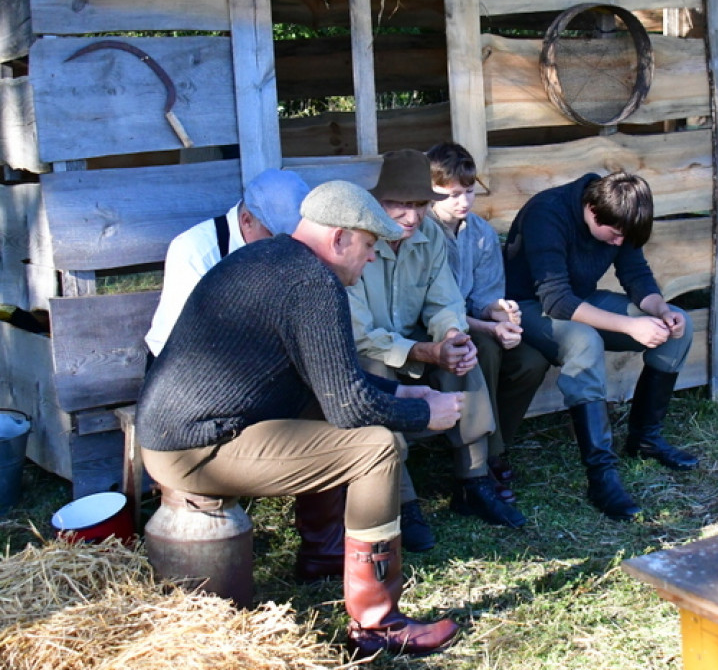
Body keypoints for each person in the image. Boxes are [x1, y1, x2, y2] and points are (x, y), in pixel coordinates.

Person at [136, 180, 462, 656]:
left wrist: (400, 388)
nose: (372, 258)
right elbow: (351, 408)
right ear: (339, 239)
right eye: (369, 245)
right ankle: (377, 625)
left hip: (181, 433)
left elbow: (330, 380)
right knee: (378, 448)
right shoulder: (313, 283)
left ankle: (323, 555)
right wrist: (422, 413)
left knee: (340, 419)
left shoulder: (267, 258)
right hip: (195, 450)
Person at [347, 149, 527, 551]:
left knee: (464, 350)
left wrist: (449, 337)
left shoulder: (428, 239)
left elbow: (444, 302)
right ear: (378, 203)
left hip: (413, 342)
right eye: (400, 205)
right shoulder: (358, 241)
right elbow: (360, 334)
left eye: (419, 205)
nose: (411, 217)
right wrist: (428, 351)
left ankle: (474, 480)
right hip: (374, 351)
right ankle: (402, 501)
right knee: (373, 366)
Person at [503, 171, 696, 521]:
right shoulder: (547, 212)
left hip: (579, 297)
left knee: (680, 325)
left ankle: (645, 439)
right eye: (615, 236)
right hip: (526, 305)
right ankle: (601, 475)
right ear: (591, 209)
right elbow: (556, 300)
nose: (619, 243)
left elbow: (636, 276)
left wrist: (661, 310)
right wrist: (629, 325)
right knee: (584, 341)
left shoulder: (620, 213)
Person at [425, 142, 550, 495]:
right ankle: (488, 458)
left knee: (531, 360)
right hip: (435, 329)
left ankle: (497, 442)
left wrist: (501, 312)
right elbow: (434, 307)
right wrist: (490, 328)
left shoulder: (479, 232)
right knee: (486, 348)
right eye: (450, 195)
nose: (462, 202)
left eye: (468, 192)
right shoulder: (422, 231)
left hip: (473, 321)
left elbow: (483, 296)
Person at [145, 168, 310, 356]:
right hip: (182, 365)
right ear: (246, 220)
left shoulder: (290, 249)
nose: (285, 246)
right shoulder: (194, 251)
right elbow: (190, 340)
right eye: (274, 235)